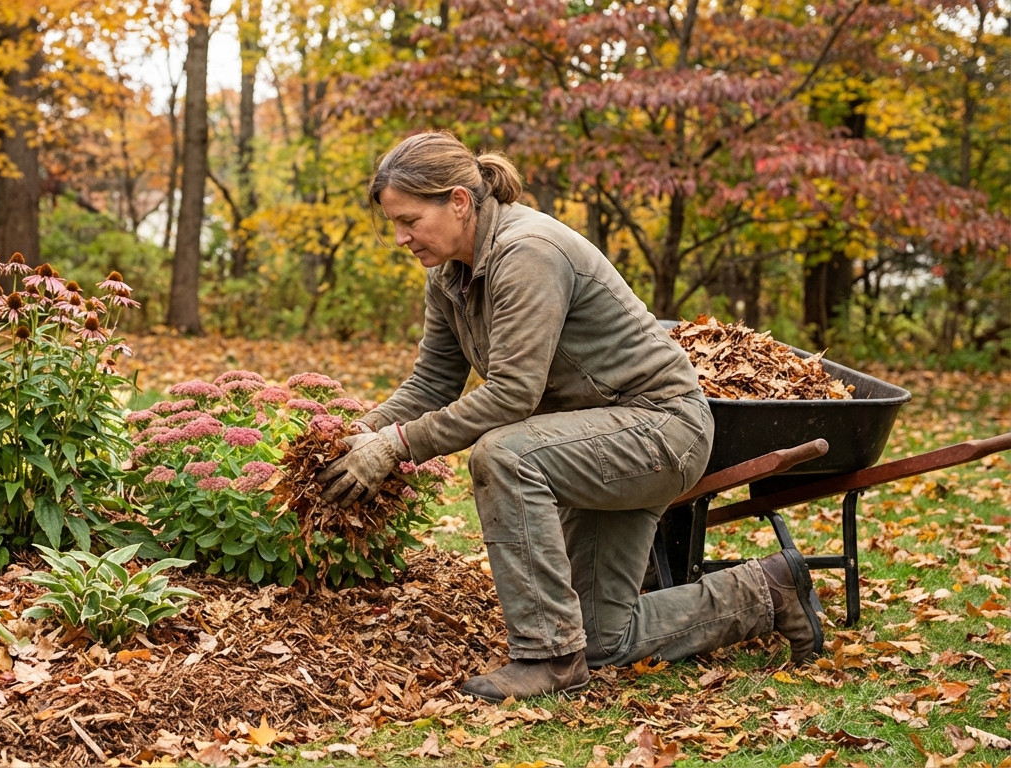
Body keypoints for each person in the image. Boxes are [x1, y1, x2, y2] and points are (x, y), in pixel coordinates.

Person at [315, 132, 824, 703]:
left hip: (658, 429)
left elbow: (511, 396)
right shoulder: (450, 276)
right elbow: (433, 380)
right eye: (394, 224)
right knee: (605, 639)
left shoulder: (527, 252)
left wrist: (395, 447)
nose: (402, 238)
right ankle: (768, 591)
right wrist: (366, 429)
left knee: (502, 454)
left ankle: (547, 657)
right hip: (588, 440)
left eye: (409, 220)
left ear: (459, 200)